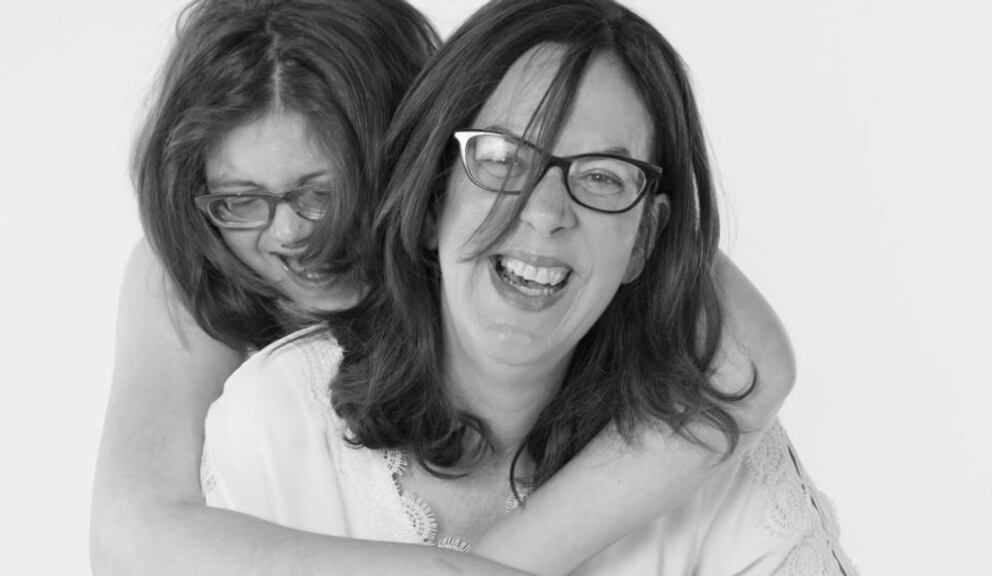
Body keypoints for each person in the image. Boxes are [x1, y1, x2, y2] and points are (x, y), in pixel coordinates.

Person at [92, 0, 795, 574]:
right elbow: (132, 538)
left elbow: (753, 362)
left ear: (418, 163)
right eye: (240, 200)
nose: (287, 237)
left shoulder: (530, 211)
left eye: (321, 192)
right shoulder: (187, 282)